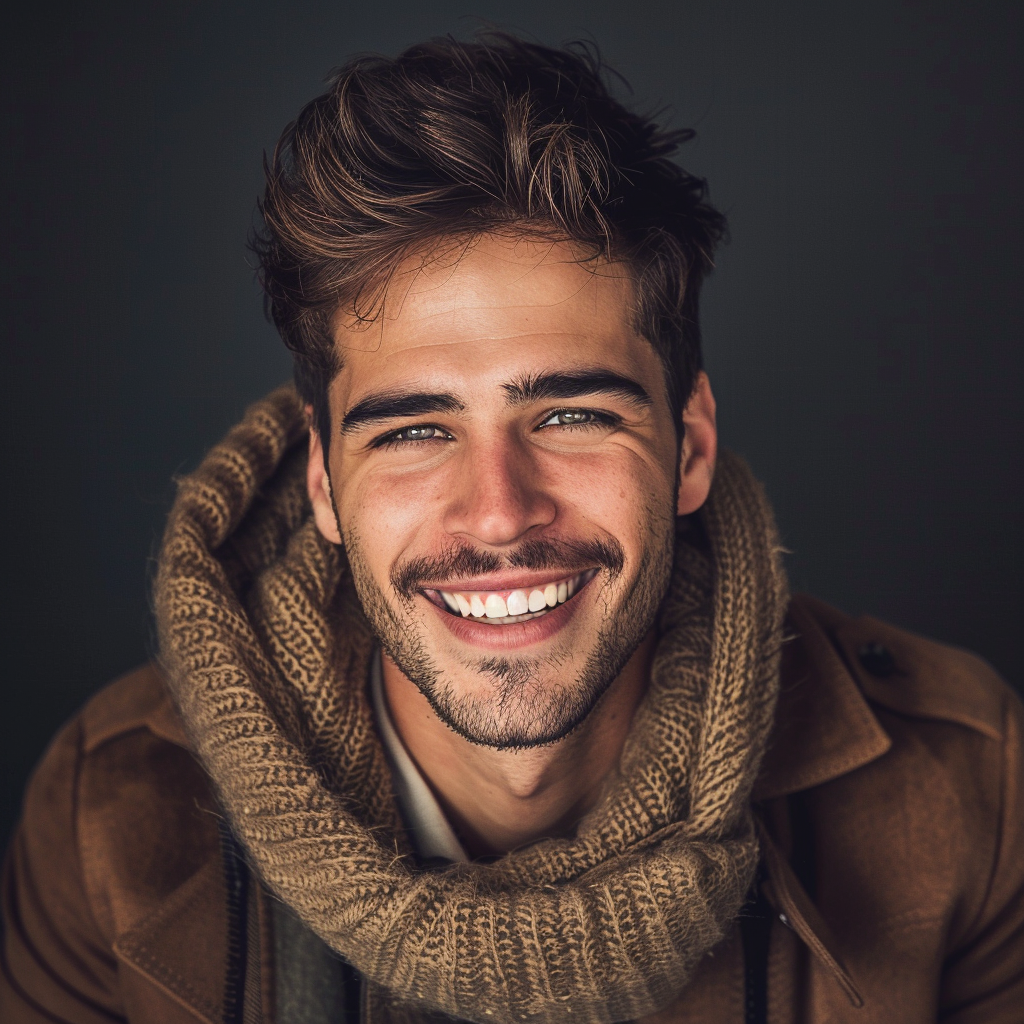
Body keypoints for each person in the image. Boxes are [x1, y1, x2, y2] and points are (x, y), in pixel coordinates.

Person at [2, 33, 1021, 1024]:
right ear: (320, 479)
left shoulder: (966, 784)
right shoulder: (109, 815)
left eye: (571, 415)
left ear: (691, 447)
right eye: (412, 430)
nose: (497, 510)